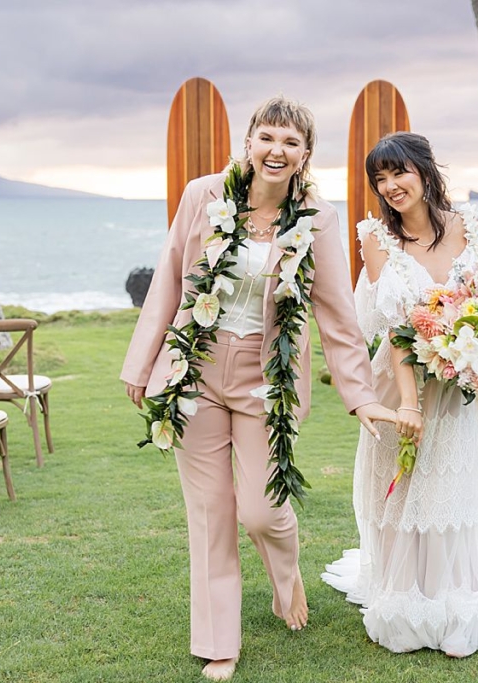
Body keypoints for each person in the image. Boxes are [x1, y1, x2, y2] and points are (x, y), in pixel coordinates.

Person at [121, 96, 394, 682]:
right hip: (193, 368)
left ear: (304, 155)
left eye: (291, 142)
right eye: (268, 137)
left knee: (263, 512)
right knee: (212, 512)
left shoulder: (317, 218)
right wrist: (142, 363)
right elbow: (170, 279)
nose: (277, 150)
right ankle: (221, 643)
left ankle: (286, 574)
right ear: (249, 141)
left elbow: (337, 314)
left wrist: (361, 393)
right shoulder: (203, 196)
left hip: (267, 380)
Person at [321, 132, 478, 657]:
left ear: (426, 170)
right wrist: (408, 404)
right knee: (411, 486)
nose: (390, 186)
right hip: (404, 378)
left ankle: (461, 605)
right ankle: (414, 599)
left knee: (459, 486)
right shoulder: (375, 238)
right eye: (379, 179)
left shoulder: (472, 227)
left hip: (463, 386)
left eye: (398, 172)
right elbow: (400, 329)